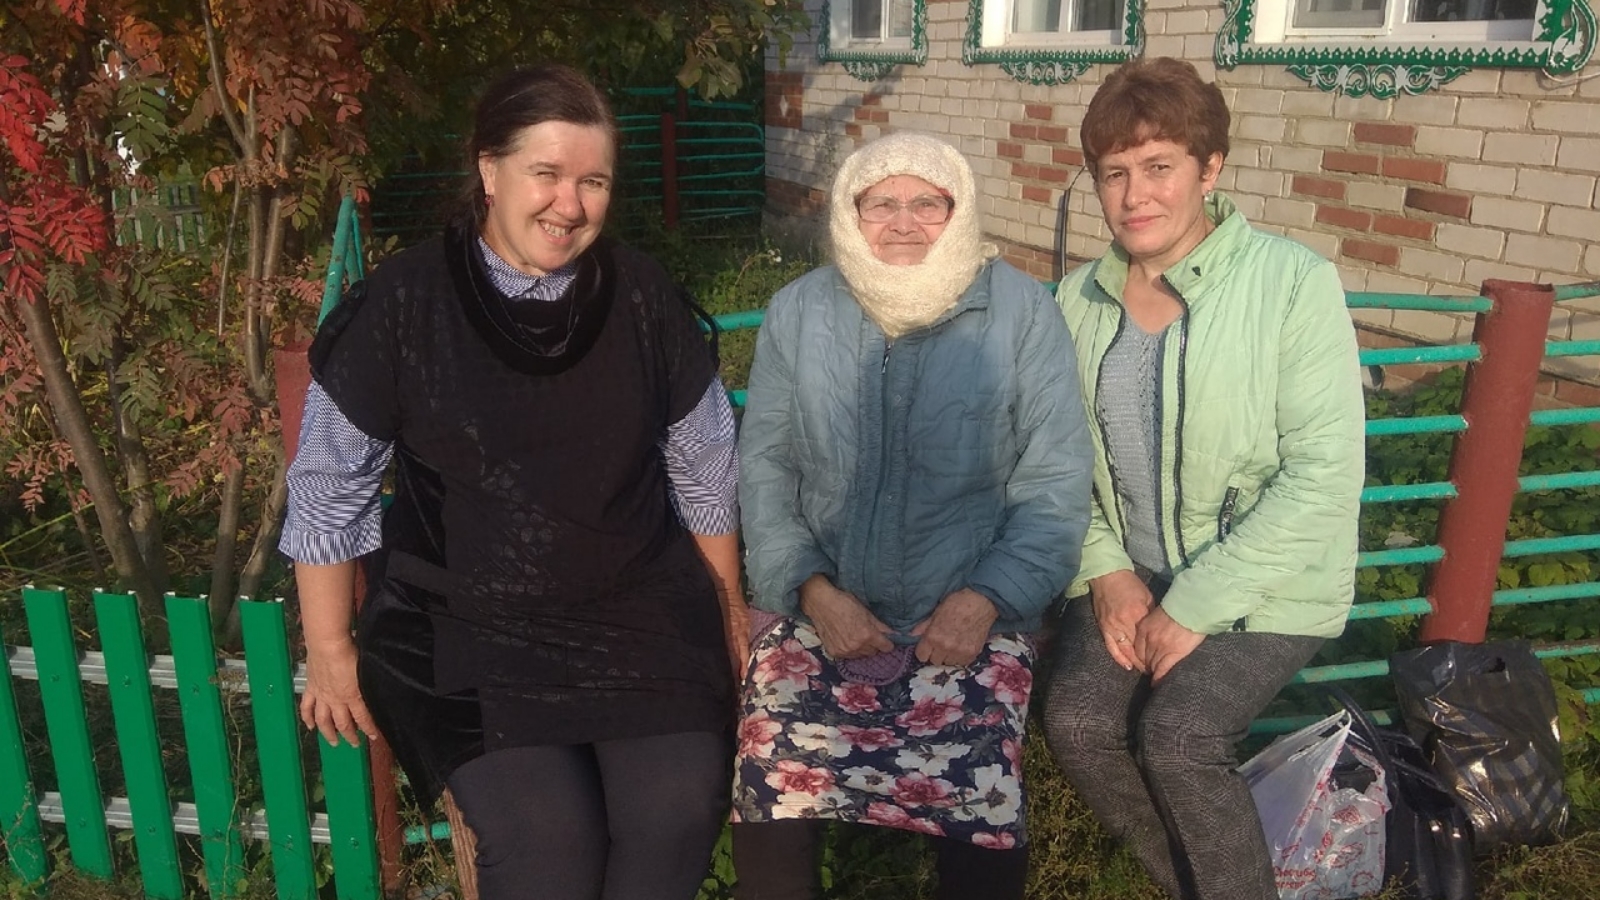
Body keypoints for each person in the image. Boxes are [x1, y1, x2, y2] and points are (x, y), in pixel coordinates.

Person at [279, 63, 748, 900]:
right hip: (465, 626)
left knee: (678, 810)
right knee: (548, 847)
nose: (570, 204)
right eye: (548, 174)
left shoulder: (641, 295)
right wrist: (329, 649)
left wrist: (726, 609)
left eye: (594, 181)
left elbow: (705, 463)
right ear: (489, 170)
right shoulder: (406, 302)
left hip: (637, 616)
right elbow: (328, 483)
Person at [731, 131, 1094, 900]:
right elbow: (765, 469)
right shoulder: (799, 311)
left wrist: (986, 598)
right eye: (881, 204)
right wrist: (812, 591)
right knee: (770, 795)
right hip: (820, 606)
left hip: (970, 616)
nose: (903, 222)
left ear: (959, 211)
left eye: (928, 203)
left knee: (983, 810)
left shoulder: (1022, 312)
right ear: (850, 212)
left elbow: (1056, 482)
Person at [1043, 57, 1366, 900]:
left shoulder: (1291, 284)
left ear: (1209, 168)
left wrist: (1191, 607)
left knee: (1181, 737)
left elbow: (1324, 476)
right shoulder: (1074, 302)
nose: (1134, 195)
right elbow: (1054, 462)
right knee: (1077, 722)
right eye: (1113, 173)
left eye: (1159, 166)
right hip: (1132, 571)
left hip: (1268, 581)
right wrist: (1105, 571)